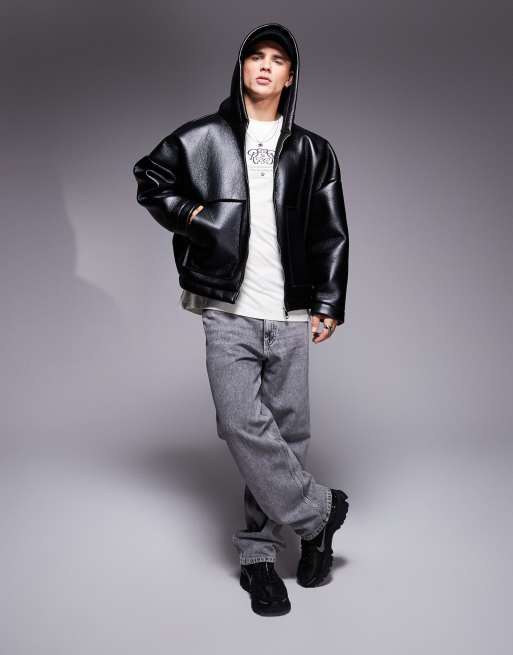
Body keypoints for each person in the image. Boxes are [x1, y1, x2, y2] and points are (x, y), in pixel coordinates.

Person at [133, 22, 350, 617]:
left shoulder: (313, 151)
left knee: (288, 434)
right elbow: (150, 177)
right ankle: (319, 513)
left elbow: (331, 231)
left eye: (277, 59)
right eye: (256, 55)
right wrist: (192, 214)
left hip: (291, 312)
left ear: (290, 76)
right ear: (242, 66)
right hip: (228, 310)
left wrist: (329, 302)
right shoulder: (204, 136)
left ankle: (261, 556)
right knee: (239, 424)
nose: (265, 65)